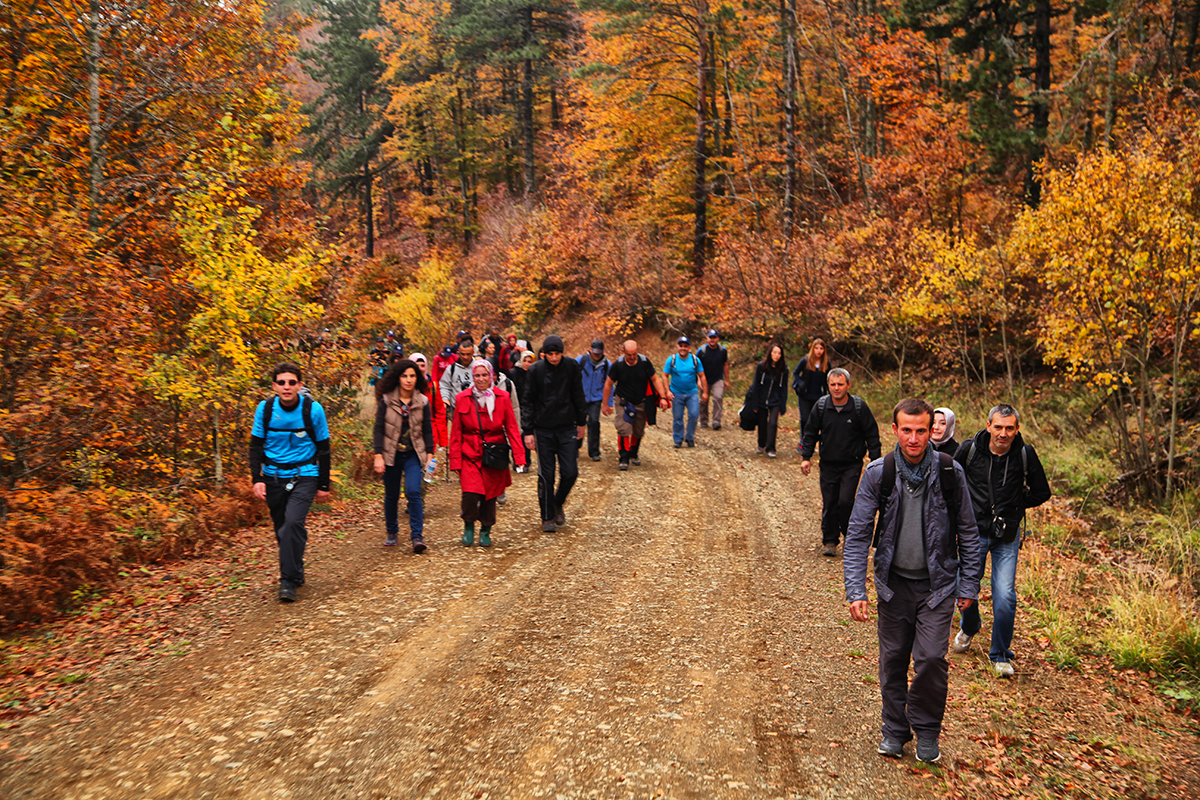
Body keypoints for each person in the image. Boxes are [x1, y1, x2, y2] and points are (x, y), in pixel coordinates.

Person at [843, 398, 982, 764]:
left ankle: (927, 730)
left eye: (922, 430)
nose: (915, 438)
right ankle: (894, 729)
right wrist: (856, 589)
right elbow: (857, 534)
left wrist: (968, 585)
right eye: (907, 430)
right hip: (893, 587)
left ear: (932, 430)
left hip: (937, 588)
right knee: (893, 660)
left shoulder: (950, 472)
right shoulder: (879, 472)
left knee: (932, 659)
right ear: (895, 430)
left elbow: (968, 531)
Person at [951, 404, 1052, 678]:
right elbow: (950, 483)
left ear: (1017, 429)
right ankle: (970, 627)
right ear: (988, 426)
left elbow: (1042, 491)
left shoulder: (1024, 454)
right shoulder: (970, 450)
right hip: (972, 532)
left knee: (1005, 595)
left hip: (1006, 535)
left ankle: (1000, 654)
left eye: (1009, 428)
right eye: (998, 427)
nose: (1003, 433)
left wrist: (1015, 506)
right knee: (964, 588)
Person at [249, 363, 332, 603]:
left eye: (292, 382)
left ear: (300, 385)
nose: (287, 387)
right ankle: (295, 568)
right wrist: (257, 479)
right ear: (274, 386)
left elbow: (324, 449)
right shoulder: (264, 409)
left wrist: (323, 485)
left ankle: (288, 581)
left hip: (305, 474)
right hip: (273, 476)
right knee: (282, 529)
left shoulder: (313, 410)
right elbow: (255, 446)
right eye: (282, 383)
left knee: (293, 523)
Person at [800, 367, 882, 556]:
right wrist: (806, 458)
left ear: (848, 385)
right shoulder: (821, 407)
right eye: (833, 385)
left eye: (840, 384)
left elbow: (872, 434)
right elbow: (810, 432)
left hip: (851, 464)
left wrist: (875, 461)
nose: (836, 388)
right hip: (828, 463)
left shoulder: (858, 408)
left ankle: (849, 536)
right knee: (830, 502)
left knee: (845, 502)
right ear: (828, 386)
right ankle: (830, 540)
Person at [448, 359, 526, 547]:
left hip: (494, 454)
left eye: (484, 375)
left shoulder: (502, 397)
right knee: (470, 494)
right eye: (477, 375)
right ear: (472, 377)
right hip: (469, 453)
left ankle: (485, 529)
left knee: (490, 495)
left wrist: (519, 457)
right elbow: (456, 431)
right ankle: (468, 524)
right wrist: (455, 461)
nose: (481, 379)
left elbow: (512, 428)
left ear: (491, 376)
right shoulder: (462, 398)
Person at [522, 334, 587, 532]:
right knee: (546, 475)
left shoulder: (571, 367)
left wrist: (582, 422)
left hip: (566, 426)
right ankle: (547, 516)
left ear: (562, 353)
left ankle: (558, 502)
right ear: (543, 354)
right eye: (549, 354)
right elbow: (528, 401)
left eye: (557, 353)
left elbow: (578, 394)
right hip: (543, 429)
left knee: (570, 472)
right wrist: (528, 431)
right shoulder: (535, 371)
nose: (553, 358)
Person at [373, 359, 434, 553]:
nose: (408, 380)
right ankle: (392, 531)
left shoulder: (422, 401)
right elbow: (378, 428)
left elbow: (427, 430)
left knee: (413, 491)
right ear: (398, 378)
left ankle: (417, 536)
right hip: (391, 454)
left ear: (418, 378)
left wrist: (430, 455)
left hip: (413, 454)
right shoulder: (386, 399)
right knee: (391, 495)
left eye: (412, 376)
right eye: (404, 376)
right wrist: (378, 455)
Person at [601, 340, 669, 470]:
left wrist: (663, 397)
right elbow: (608, 384)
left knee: (638, 430)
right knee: (623, 428)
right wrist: (606, 404)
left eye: (634, 354)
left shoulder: (644, 362)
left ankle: (633, 453)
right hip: (623, 401)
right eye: (629, 355)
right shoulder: (618, 365)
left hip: (641, 401)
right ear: (623, 352)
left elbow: (655, 379)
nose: (632, 358)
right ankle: (624, 457)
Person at [662, 336, 707, 448]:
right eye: (681, 346)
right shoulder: (671, 360)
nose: (683, 348)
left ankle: (690, 437)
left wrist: (705, 392)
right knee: (678, 418)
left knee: (694, 415)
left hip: (692, 393)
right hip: (676, 393)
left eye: (685, 346)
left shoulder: (695, 360)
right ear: (677, 347)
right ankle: (678, 439)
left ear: (689, 348)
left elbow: (702, 376)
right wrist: (667, 391)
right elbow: (664, 375)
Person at [751, 343, 788, 458]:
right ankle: (761, 444)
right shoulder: (761, 366)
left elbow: (784, 388)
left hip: (775, 400)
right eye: (774, 352)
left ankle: (771, 448)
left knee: (772, 423)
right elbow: (756, 385)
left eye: (779, 353)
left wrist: (783, 404)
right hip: (762, 399)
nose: (776, 355)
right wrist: (755, 403)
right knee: (762, 424)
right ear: (770, 353)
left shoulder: (783, 369)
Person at [576, 339, 611, 462]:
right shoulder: (580, 361)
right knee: (577, 422)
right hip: (580, 397)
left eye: (599, 353)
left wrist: (609, 403)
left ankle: (594, 451)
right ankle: (575, 447)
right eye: (595, 352)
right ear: (590, 350)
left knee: (594, 422)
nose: (597, 355)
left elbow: (609, 384)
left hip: (596, 398)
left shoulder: (607, 365)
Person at [791, 337, 830, 437]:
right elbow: (795, 373)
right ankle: (803, 440)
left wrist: (831, 393)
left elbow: (828, 380)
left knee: (816, 420)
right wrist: (800, 383)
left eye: (821, 348)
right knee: (805, 418)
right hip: (805, 395)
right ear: (813, 349)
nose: (818, 351)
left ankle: (812, 440)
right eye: (816, 348)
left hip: (818, 396)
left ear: (824, 350)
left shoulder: (826, 363)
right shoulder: (805, 360)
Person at [410, 352, 447, 452]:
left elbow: (440, 412)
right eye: (417, 365)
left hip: (429, 433)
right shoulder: (404, 386)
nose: (420, 368)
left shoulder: (433, 386)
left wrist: (443, 441)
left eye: (423, 366)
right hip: (410, 433)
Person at [510, 349, 537, 472]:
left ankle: (526, 462)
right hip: (515, 407)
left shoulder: (535, 373)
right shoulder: (514, 373)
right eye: (525, 361)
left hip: (530, 408)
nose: (527, 364)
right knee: (517, 435)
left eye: (530, 361)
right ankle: (517, 461)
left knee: (527, 433)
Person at [697, 329, 729, 430]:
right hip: (704, 378)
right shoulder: (701, 351)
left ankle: (716, 421)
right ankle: (704, 420)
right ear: (707, 339)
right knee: (703, 400)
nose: (712, 340)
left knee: (718, 397)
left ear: (718, 339)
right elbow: (696, 366)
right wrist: (698, 380)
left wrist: (727, 380)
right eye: (710, 338)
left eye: (714, 338)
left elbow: (725, 365)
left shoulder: (722, 351)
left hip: (717, 378)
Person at [439, 338, 477, 411]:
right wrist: (445, 399)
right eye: (463, 354)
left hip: (476, 408)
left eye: (468, 354)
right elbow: (444, 386)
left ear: (473, 353)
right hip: (457, 408)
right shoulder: (451, 369)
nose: (465, 357)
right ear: (459, 353)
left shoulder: (479, 367)